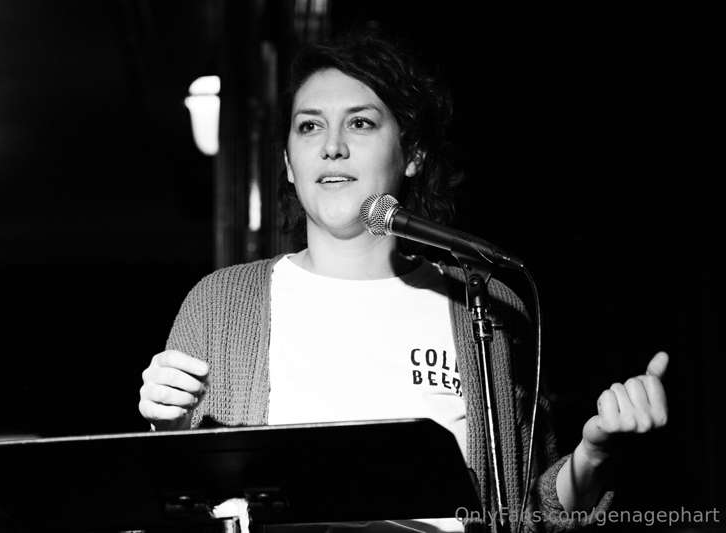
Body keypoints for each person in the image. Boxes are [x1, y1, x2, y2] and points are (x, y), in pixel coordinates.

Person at [138, 33, 669, 532]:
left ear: (412, 154)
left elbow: (527, 513)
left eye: (360, 123)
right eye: (310, 126)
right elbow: (171, 499)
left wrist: (592, 456)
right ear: (289, 163)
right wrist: (168, 432)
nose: (332, 147)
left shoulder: (483, 303)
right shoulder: (221, 306)